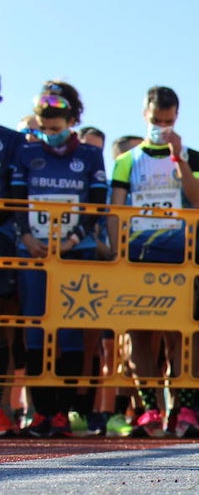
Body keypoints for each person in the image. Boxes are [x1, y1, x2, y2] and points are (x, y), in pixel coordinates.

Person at [109, 86, 199, 438]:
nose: (161, 126)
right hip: (137, 256)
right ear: (145, 114)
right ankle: (150, 408)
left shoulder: (193, 157)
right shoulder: (126, 161)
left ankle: (183, 407)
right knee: (139, 334)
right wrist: (117, 252)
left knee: (179, 334)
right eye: (156, 121)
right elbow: (116, 209)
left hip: (178, 259)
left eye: (168, 121)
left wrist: (178, 158)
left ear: (177, 118)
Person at [8, 81, 106, 437]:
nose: (50, 134)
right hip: (32, 251)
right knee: (35, 328)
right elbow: (18, 198)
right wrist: (27, 236)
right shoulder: (27, 152)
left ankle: (63, 412)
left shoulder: (90, 156)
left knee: (69, 331)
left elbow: (97, 204)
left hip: (74, 253)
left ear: (71, 120)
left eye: (57, 127)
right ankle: (41, 412)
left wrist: (74, 238)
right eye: (44, 128)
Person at [0, 76, 26, 436]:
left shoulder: (14, 141)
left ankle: (4, 408)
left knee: (6, 333)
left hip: (4, 244)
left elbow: (21, 195)